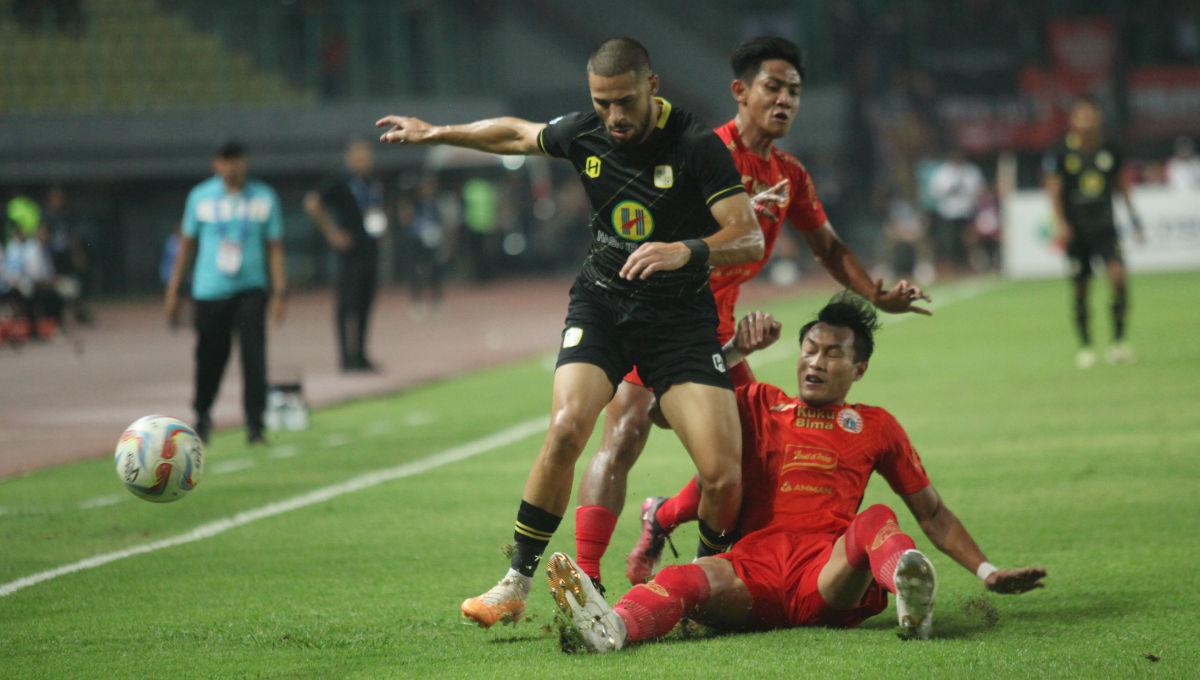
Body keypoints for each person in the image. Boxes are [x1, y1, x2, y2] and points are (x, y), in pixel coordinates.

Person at [378, 37, 771, 629]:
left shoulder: (696, 146)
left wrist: (682, 250)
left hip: (680, 323)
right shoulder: (584, 133)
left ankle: (701, 587)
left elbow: (747, 235)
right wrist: (436, 133)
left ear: (652, 86)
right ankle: (515, 582)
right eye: (601, 102)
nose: (613, 116)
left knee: (722, 472)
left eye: (624, 102)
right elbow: (515, 134)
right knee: (566, 429)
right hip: (603, 306)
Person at [572, 36, 931, 591]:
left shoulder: (789, 175)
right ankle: (587, 580)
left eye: (794, 90)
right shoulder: (698, 150)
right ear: (740, 92)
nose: (784, 99)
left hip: (718, 334)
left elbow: (829, 248)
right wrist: (725, 220)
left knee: (747, 463)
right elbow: (642, 223)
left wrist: (877, 294)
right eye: (772, 86)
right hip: (661, 317)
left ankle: (670, 527)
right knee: (623, 432)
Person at [546, 296, 1048, 652]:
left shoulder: (876, 425)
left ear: (860, 368)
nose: (815, 362)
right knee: (681, 578)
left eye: (833, 354)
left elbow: (932, 511)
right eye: (809, 349)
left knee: (876, 517)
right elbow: (660, 411)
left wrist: (987, 571)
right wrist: (737, 351)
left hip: (827, 573)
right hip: (755, 569)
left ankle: (909, 595)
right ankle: (612, 628)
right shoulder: (758, 402)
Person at [165, 141, 287, 445]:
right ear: (216, 164)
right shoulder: (200, 198)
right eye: (225, 161)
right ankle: (202, 415)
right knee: (210, 357)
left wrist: (281, 291)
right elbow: (186, 246)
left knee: (254, 358)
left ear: (246, 163)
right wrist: (174, 289)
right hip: (210, 290)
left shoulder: (263, 197)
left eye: (237, 161)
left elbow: (274, 247)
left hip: (251, 289)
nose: (231, 167)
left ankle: (255, 426)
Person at [1043, 96, 1145, 369]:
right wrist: (1059, 222)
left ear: (1098, 117)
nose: (1086, 121)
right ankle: (1086, 346)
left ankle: (1119, 342)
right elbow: (1054, 191)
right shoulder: (1061, 151)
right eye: (1081, 116)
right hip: (1077, 232)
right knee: (1080, 288)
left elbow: (1121, 186)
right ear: (1073, 120)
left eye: (1091, 115)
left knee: (1119, 279)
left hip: (1106, 229)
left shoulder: (1110, 149)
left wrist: (1135, 220)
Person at [304, 139, 387, 373]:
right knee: (346, 305)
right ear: (349, 159)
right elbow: (312, 203)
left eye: (367, 157)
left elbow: (376, 209)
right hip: (349, 254)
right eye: (359, 157)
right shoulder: (340, 182)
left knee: (365, 304)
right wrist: (332, 232)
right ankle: (345, 358)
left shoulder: (373, 182)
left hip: (370, 250)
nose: (364, 162)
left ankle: (360, 355)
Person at [928, 148, 985, 269]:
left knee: (967, 241)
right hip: (948, 213)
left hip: (967, 212)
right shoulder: (943, 172)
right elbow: (934, 191)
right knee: (949, 242)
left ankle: (967, 265)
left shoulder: (971, 171)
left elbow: (980, 189)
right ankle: (951, 266)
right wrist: (949, 190)